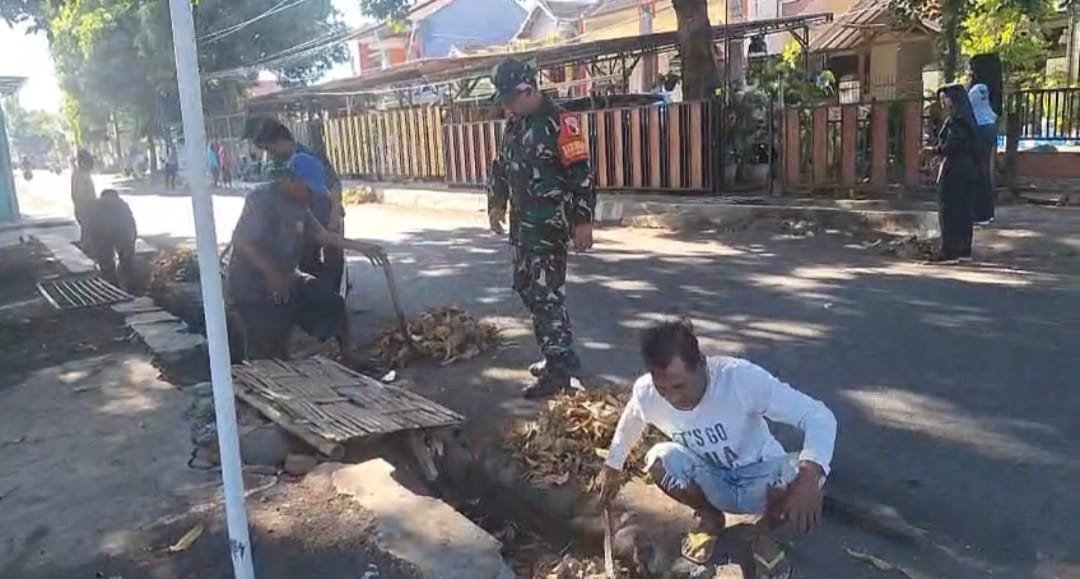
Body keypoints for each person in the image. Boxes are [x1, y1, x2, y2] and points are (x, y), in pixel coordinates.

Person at [598, 320, 836, 577]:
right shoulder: (646, 392)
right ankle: (710, 518)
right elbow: (633, 417)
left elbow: (819, 416)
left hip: (763, 483)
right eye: (662, 388)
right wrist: (612, 465)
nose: (673, 398)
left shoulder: (739, 378)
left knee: (807, 473)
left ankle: (762, 534)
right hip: (711, 482)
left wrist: (810, 475)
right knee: (658, 458)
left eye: (679, 386)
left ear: (701, 363)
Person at [486, 57, 597, 399]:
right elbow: (501, 167)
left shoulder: (561, 123)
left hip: (549, 227)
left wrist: (583, 222)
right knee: (526, 288)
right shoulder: (515, 124)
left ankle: (560, 370)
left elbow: (582, 176)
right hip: (522, 228)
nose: (506, 105)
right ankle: (556, 354)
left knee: (547, 297)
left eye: (510, 98)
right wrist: (495, 203)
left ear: (529, 89)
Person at [226, 161, 386, 360]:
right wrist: (271, 273)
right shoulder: (261, 199)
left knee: (331, 303)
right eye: (306, 188)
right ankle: (264, 373)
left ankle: (347, 356)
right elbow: (242, 241)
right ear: (289, 180)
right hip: (251, 284)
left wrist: (362, 247)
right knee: (266, 341)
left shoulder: (299, 202)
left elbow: (322, 235)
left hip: (286, 277)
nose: (309, 195)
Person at [246, 119, 346, 291]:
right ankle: (316, 299)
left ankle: (334, 298)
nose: (270, 154)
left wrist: (334, 215)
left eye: (270, 148)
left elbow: (334, 185)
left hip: (326, 215)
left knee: (333, 259)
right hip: (302, 221)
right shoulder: (277, 162)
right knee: (307, 261)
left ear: (281, 140)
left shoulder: (309, 156)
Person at [923, 85, 978, 264]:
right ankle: (962, 249)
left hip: (956, 169)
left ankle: (950, 250)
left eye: (945, 99)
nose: (943, 103)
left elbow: (954, 145)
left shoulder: (958, 120)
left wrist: (934, 150)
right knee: (962, 209)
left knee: (950, 209)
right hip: (965, 168)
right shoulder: (966, 118)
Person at [82, 189, 137, 289]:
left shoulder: (93, 206)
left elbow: (87, 226)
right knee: (124, 261)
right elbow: (131, 224)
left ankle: (114, 284)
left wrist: (87, 242)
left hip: (105, 234)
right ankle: (127, 284)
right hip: (112, 233)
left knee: (108, 263)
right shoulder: (121, 205)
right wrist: (131, 240)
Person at [968, 81, 997, 225]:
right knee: (984, 172)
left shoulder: (974, 92)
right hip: (990, 127)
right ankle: (988, 213)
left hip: (980, 129)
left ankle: (980, 214)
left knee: (978, 173)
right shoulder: (983, 89)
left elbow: (971, 106)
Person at [71, 149, 97, 241]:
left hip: (87, 210)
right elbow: (79, 195)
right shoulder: (79, 176)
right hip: (85, 209)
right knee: (89, 235)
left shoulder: (82, 174)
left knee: (89, 235)